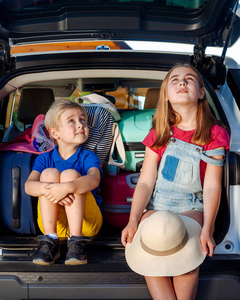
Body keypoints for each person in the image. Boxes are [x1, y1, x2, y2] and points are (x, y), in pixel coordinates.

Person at [121, 64, 229, 300]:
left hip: (192, 205)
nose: (182, 82)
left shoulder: (214, 134)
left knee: (187, 250)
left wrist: (208, 229)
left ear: (201, 92)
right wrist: (132, 221)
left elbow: (212, 186)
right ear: (167, 95)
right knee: (153, 242)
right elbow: (146, 183)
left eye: (189, 79)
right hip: (158, 204)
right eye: (175, 80)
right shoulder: (159, 132)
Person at [25, 99, 103, 265]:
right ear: (55, 133)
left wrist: (67, 187)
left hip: (85, 226)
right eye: (71, 121)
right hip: (53, 227)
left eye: (83, 120)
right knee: (48, 174)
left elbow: (94, 179)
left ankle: (76, 242)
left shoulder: (88, 157)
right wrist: (54, 191)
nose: (80, 125)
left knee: (70, 175)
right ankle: (50, 241)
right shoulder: (44, 159)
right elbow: (29, 186)